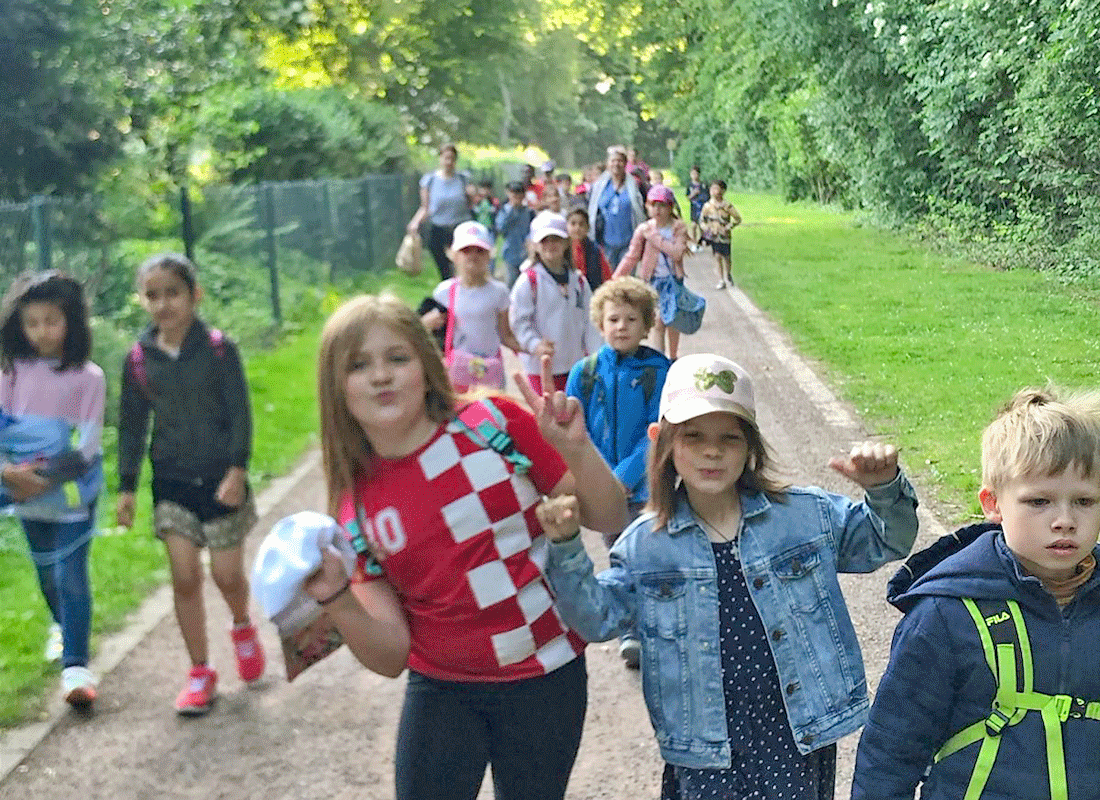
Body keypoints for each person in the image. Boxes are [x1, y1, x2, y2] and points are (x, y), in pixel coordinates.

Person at [538, 354, 920, 800]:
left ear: (750, 445)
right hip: (705, 752)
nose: (711, 451)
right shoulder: (647, 545)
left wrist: (884, 487)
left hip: (793, 738)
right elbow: (595, 618)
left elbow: (886, 540)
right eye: (693, 436)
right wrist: (565, 547)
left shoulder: (801, 516)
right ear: (661, 441)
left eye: (729, 438)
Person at [312, 293, 629, 800]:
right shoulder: (355, 507)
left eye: (398, 358)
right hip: (443, 688)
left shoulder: (491, 422)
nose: (381, 376)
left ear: (426, 364)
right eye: (358, 365)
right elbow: (391, 654)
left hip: (546, 675)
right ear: (336, 388)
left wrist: (576, 449)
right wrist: (337, 598)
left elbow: (609, 514)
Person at [852, 387, 1100, 800]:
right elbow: (891, 751)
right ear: (993, 504)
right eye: (1039, 501)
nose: (1064, 520)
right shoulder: (945, 614)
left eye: (1085, 501)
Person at [116, 253, 264, 716]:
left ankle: (241, 624)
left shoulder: (220, 349)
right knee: (184, 577)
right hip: (172, 482)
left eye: (172, 293)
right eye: (152, 295)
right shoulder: (139, 359)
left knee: (226, 576)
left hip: (221, 481)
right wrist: (126, 487)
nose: (163, 304)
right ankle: (200, 671)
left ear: (194, 295)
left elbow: (240, 412)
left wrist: (237, 470)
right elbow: (132, 425)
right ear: (142, 300)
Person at [0, 271, 105, 709]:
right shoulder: (8, 373)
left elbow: (88, 445)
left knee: (69, 573)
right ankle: (65, 629)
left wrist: (37, 479)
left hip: (71, 493)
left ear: (71, 323)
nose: (42, 331)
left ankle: (76, 667)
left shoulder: (88, 377)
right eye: (33, 322)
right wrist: (9, 476)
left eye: (52, 320)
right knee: (46, 573)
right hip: (20, 492)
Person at [565, 276, 671, 667]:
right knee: (618, 553)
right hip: (603, 486)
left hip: (646, 488)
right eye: (613, 319)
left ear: (646, 326)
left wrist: (623, 478)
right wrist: (598, 479)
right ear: (600, 324)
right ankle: (631, 626)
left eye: (631, 319)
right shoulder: (585, 371)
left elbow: (657, 431)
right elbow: (579, 433)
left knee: (651, 550)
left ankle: (650, 626)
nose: (621, 326)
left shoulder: (660, 371)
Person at [420, 221, 522, 393]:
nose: (473, 256)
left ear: (489, 255)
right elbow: (424, 332)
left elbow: (505, 335)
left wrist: (532, 349)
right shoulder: (445, 292)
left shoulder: (499, 292)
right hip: (457, 372)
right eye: (466, 250)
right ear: (453, 255)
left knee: (492, 415)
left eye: (480, 251)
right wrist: (426, 323)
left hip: (490, 371)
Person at [509, 212, 603, 395]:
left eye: (556, 239)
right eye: (544, 240)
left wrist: (595, 355)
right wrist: (534, 344)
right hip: (541, 367)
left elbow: (590, 321)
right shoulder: (529, 281)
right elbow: (519, 321)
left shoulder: (579, 281)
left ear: (567, 242)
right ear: (535, 245)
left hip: (575, 365)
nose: (550, 245)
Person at [613, 185, 689, 360]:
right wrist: (616, 277)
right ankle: (660, 359)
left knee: (673, 321)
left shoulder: (677, 228)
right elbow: (632, 256)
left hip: (673, 281)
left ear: (670, 207)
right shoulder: (643, 229)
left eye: (662, 205)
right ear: (647, 207)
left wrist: (654, 237)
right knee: (658, 323)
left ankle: (673, 356)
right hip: (652, 281)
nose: (657, 210)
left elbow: (677, 253)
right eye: (653, 205)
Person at [407, 143, 472, 281]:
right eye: (446, 158)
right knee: (445, 270)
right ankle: (449, 296)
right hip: (438, 230)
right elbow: (426, 207)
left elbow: (470, 203)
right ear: (440, 159)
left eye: (452, 159)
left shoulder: (462, 179)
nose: (449, 162)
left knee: (461, 266)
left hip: (459, 229)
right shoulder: (429, 181)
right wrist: (415, 223)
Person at [588, 145, 647, 270]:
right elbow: (592, 210)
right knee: (608, 279)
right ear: (608, 163)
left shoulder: (634, 186)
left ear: (625, 163)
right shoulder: (599, 187)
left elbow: (641, 210)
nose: (616, 164)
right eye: (613, 160)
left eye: (620, 161)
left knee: (626, 279)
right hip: (605, 243)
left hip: (629, 242)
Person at [699, 178, 742, 289]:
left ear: (723, 191)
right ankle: (721, 279)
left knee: (727, 257)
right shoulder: (707, 206)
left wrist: (728, 227)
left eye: (717, 188)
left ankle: (728, 274)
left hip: (725, 236)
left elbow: (737, 219)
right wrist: (706, 229)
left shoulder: (727, 206)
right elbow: (702, 221)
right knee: (717, 256)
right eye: (712, 188)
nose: (714, 191)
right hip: (714, 235)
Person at [495, 181, 535, 286]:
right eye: (514, 193)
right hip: (510, 253)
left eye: (519, 193)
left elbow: (531, 231)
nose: (517, 196)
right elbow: (500, 228)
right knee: (511, 283)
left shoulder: (528, 212)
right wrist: (511, 211)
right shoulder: (504, 210)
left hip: (525, 253)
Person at [566, 208, 612, 292]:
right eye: (573, 224)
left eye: (581, 224)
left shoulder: (595, 250)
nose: (577, 228)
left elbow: (606, 275)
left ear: (588, 227)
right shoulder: (562, 249)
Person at [685, 165, 706, 249]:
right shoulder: (689, 185)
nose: (694, 175)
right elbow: (687, 197)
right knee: (693, 225)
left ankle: (700, 242)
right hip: (694, 207)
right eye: (692, 174)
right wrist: (693, 194)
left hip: (703, 207)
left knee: (701, 226)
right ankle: (694, 243)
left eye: (696, 174)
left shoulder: (703, 185)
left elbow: (707, 196)